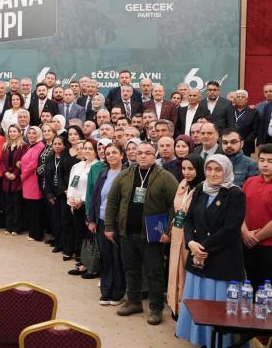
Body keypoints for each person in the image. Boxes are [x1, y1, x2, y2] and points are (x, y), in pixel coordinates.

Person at [105, 142, 178, 325]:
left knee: (154, 272)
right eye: (140, 153)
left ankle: (156, 308)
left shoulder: (165, 177)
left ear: (155, 155)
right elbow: (112, 201)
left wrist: (169, 231)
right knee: (131, 269)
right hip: (127, 233)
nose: (143, 156)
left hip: (153, 235)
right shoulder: (125, 174)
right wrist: (109, 226)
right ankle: (134, 302)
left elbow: (176, 206)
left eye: (148, 153)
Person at [176, 155, 246, 346]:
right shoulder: (200, 188)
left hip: (222, 260)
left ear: (227, 171)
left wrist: (202, 248)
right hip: (198, 257)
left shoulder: (235, 194)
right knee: (199, 301)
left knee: (218, 309)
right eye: (209, 169)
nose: (212, 174)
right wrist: (191, 243)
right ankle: (202, 340)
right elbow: (189, 219)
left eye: (218, 170)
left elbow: (231, 229)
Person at [166, 155, 204, 319]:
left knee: (187, 275)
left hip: (192, 237)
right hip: (177, 234)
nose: (186, 172)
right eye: (184, 168)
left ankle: (185, 312)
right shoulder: (183, 184)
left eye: (191, 169)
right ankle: (175, 306)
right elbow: (175, 209)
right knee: (175, 270)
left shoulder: (203, 188)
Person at [87, 143, 126, 306]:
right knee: (106, 257)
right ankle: (106, 290)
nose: (111, 156)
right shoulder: (103, 173)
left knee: (118, 258)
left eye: (114, 152)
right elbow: (95, 196)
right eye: (108, 153)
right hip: (102, 221)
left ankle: (118, 293)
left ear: (121, 155)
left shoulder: (126, 173)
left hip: (118, 223)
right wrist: (91, 219)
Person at [241, 143, 272, 290]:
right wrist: (245, 233)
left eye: (270, 161)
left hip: (268, 246)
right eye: (262, 160)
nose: (265, 164)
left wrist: (256, 237)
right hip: (246, 243)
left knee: (266, 288)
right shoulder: (250, 181)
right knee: (249, 286)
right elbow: (239, 210)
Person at [66, 140, 99, 276]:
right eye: (85, 148)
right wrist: (71, 199)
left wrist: (82, 200)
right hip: (75, 205)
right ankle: (81, 262)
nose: (87, 151)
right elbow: (71, 184)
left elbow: (94, 188)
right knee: (79, 234)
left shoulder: (97, 166)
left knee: (89, 236)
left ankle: (90, 265)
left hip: (88, 205)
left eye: (90, 149)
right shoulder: (77, 165)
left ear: (96, 151)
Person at [44, 136, 69, 253]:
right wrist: (49, 194)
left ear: (64, 145)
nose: (57, 146)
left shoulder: (67, 158)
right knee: (55, 219)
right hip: (52, 192)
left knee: (64, 219)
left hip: (63, 193)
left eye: (60, 144)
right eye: (55, 144)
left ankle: (65, 244)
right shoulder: (49, 158)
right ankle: (58, 242)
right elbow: (46, 177)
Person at [21, 126, 45, 240]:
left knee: (35, 209)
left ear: (39, 134)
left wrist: (22, 175)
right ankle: (33, 233)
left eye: (34, 133)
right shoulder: (32, 145)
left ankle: (36, 234)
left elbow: (32, 164)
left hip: (32, 181)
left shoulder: (39, 146)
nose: (31, 135)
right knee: (31, 209)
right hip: (28, 180)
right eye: (29, 133)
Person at [0, 125, 25, 235]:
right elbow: (2, 162)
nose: (12, 133)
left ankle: (16, 228)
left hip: (17, 179)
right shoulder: (5, 145)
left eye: (14, 131)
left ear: (19, 133)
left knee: (17, 205)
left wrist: (15, 174)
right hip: (7, 179)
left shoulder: (23, 146)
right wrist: (5, 172)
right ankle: (8, 226)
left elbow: (23, 162)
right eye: (10, 131)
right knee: (8, 205)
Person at [226, 89, 260, 156]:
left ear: (247, 100)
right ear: (235, 99)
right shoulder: (228, 110)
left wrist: (244, 142)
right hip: (229, 143)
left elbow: (255, 130)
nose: (240, 99)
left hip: (246, 145)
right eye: (238, 97)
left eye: (242, 97)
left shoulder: (253, 112)